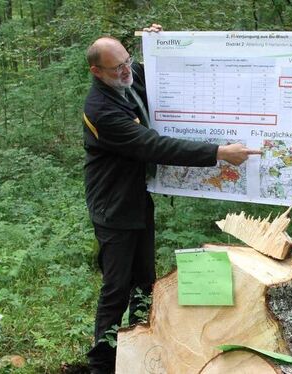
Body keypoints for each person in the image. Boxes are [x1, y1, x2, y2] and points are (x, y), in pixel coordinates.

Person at [82, 24, 261, 374]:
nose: (126, 71)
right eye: (116, 67)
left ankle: (138, 349)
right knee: (116, 288)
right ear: (96, 72)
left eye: (127, 61)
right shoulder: (101, 110)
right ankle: (101, 364)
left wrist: (158, 44)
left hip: (136, 200)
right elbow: (153, 146)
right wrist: (219, 152)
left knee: (145, 282)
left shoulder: (125, 80)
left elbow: (160, 76)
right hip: (114, 209)